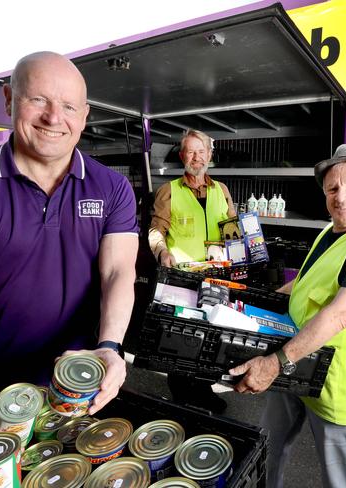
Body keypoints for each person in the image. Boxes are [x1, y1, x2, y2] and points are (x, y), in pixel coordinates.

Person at [0, 52, 139, 443]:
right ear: (8, 99)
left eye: (69, 106)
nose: (54, 118)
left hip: (84, 382)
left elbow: (118, 272)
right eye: (39, 100)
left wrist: (109, 347)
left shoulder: (112, 188)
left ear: (84, 116)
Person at [229, 144, 346, 487]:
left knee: (342, 478)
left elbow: (341, 315)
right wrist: (246, 303)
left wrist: (274, 363)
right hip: (297, 363)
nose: (341, 197)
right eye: (332, 188)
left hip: (337, 384)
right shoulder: (330, 231)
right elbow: (303, 284)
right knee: (267, 446)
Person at [148, 129, 236, 413]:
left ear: (210, 155)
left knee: (212, 335)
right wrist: (162, 251)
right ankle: (182, 392)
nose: (196, 158)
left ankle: (204, 389)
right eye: (190, 151)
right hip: (182, 278)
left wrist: (235, 248)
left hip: (217, 276)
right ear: (182, 155)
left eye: (201, 152)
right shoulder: (169, 190)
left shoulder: (221, 190)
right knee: (182, 337)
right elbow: (155, 230)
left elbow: (233, 231)